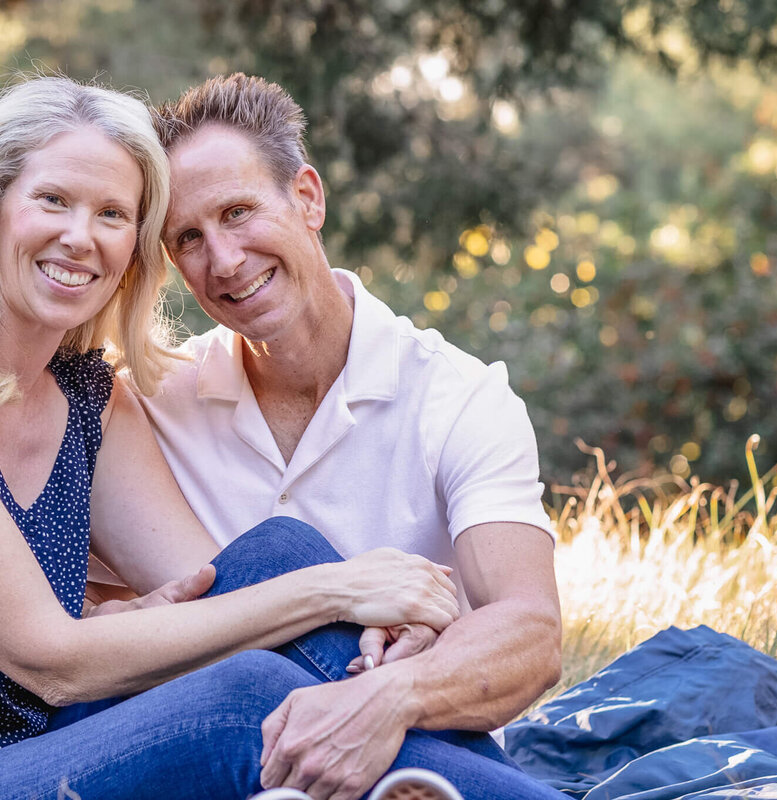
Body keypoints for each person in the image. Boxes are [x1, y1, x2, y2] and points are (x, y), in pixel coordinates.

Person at [0, 73, 545, 800]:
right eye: (54, 201)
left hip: (44, 747)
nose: (82, 237)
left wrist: (374, 658)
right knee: (247, 691)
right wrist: (340, 588)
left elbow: (229, 593)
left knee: (277, 553)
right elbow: (51, 660)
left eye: (112, 215)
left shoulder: (90, 402)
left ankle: (427, 783)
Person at [138, 73, 564, 795]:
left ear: (307, 197)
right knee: (279, 562)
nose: (225, 260)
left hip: (408, 748)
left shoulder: (457, 397)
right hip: (227, 763)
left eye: (238, 212)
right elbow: (92, 623)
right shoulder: (153, 405)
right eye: (189, 238)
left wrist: (386, 699)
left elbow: (528, 629)